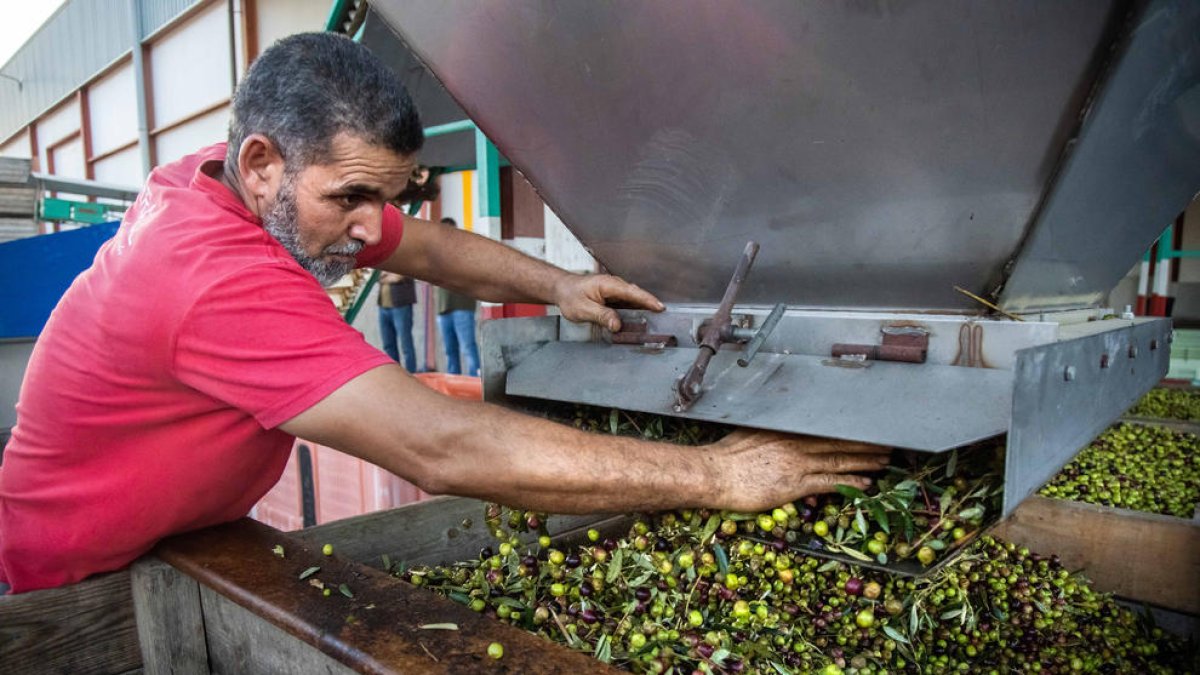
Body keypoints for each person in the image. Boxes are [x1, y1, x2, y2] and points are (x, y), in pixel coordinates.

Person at [0, 33, 887, 594]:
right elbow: (442, 445)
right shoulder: (210, 277)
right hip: (61, 583)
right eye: (350, 198)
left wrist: (556, 284)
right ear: (262, 160)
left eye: (380, 196)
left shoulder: (242, 176)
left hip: (174, 539)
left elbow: (422, 245)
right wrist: (718, 478)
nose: (364, 228)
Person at [434, 217, 480, 377]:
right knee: (449, 351)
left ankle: (477, 385)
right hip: (443, 309)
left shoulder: (466, 251)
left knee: (467, 348)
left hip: (462, 307)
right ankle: (454, 388)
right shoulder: (436, 254)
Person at [377, 271, 418, 372]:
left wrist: (386, 277)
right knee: (388, 345)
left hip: (401, 305)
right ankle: (395, 375)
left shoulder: (404, 260)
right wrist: (389, 277)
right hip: (383, 306)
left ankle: (412, 375)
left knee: (406, 345)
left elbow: (398, 277)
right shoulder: (384, 262)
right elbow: (377, 277)